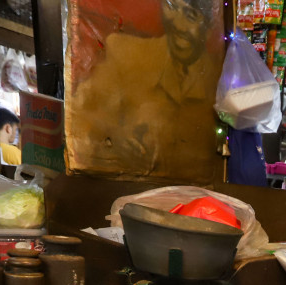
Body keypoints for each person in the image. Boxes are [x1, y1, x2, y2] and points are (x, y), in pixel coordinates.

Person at [65, 0, 224, 183]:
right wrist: (113, 139)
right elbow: (84, 120)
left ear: (210, 26)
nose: (178, 25)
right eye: (173, 9)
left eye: (191, 16)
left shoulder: (219, 81)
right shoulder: (126, 53)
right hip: (118, 192)